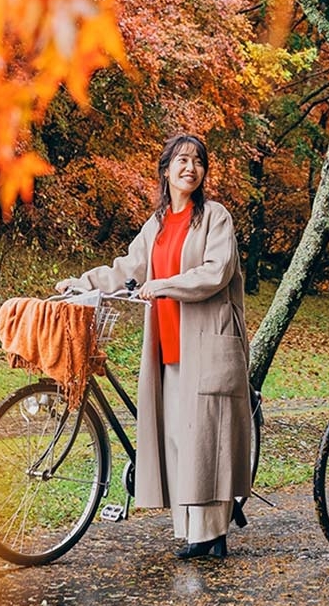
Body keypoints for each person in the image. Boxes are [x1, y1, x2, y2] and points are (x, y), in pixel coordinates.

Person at [57, 134, 253, 559]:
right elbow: (128, 268)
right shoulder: (159, 224)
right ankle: (192, 531)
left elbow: (216, 272)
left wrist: (163, 285)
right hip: (169, 346)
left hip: (208, 342)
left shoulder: (215, 217)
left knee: (206, 438)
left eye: (198, 162)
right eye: (182, 160)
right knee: (180, 441)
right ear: (166, 170)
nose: (190, 168)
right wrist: (83, 282)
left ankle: (212, 533)